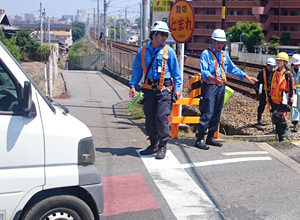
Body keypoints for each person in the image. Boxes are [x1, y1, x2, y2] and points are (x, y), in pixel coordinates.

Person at [195, 29, 258, 150]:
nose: (220, 45)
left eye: (222, 43)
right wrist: (214, 79)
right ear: (212, 41)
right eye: (218, 42)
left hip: (220, 86)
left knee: (217, 112)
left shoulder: (224, 55)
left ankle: (211, 137)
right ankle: (200, 138)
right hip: (210, 86)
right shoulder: (206, 54)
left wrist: (246, 76)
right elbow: (204, 72)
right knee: (207, 111)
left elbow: (232, 68)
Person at [129, 21, 182, 159]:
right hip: (148, 88)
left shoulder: (169, 51)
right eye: (162, 34)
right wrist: (133, 85)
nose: (165, 37)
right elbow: (137, 70)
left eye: (166, 34)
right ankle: (153, 144)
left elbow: (176, 72)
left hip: (164, 89)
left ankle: (163, 145)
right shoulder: (143, 51)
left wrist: (177, 88)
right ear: (154, 34)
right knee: (150, 117)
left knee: (161, 116)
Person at [270, 52, 294, 142]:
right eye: (277, 60)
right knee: (276, 120)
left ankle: (285, 127)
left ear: (285, 62)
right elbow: (272, 85)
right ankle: (281, 139)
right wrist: (269, 96)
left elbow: (291, 89)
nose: (278, 61)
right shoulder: (275, 72)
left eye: (280, 60)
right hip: (274, 99)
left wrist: (290, 101)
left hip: (283, 101)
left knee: (277, 115)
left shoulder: (288, 75)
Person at [254, 58, 276, 125]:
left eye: (273, 66)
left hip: (272, 92)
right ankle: (259, 118)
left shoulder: (275, 72)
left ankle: (274, 120)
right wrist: (257, 89)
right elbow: (258, 81)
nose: (271, 68)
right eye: (270, 66)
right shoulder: (262, 72)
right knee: (262, 105)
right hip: (264, 91)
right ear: (267, 65)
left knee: (274, 106)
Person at [290, 54, 300, 132]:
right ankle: (295, 122)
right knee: (294, 106)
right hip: (293, 90)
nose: (297, 65)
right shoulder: (289, 70)